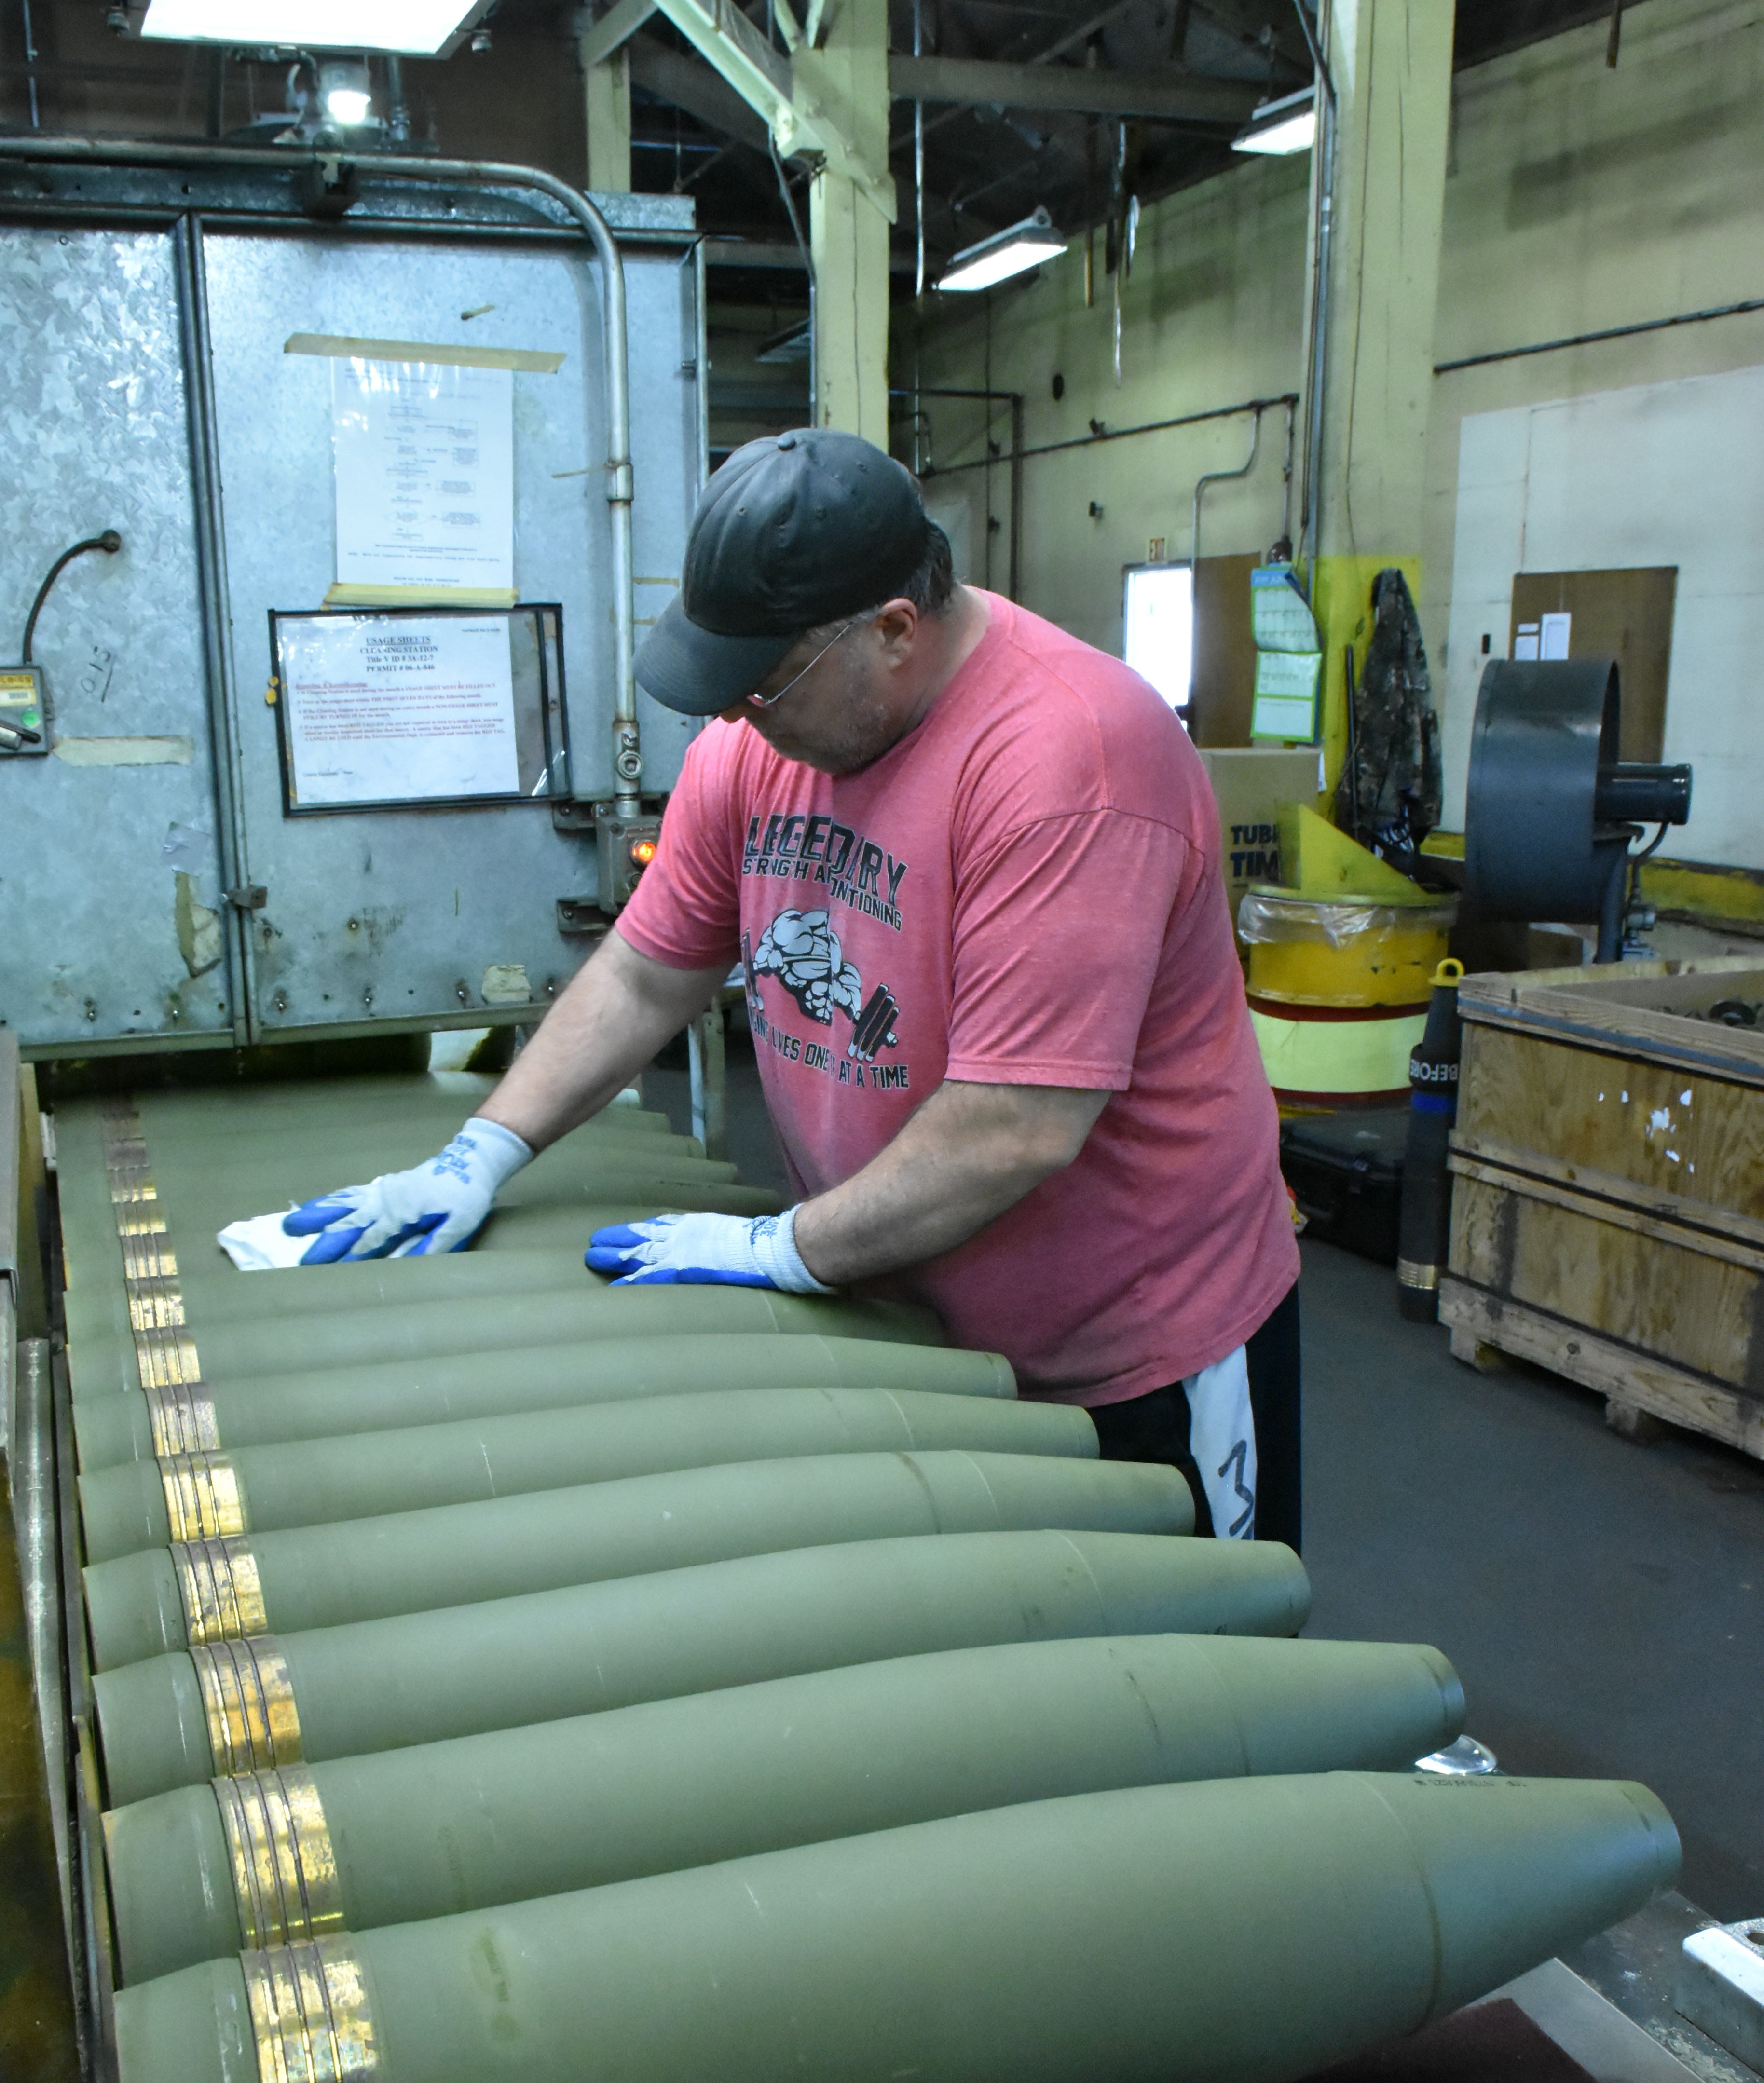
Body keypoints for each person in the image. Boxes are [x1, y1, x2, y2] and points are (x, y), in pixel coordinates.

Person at [286, 429, 1302, 1547]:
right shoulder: (764, 744)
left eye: (762, 685)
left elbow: (1012, 1128)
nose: (732, 719)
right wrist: (482, 1151)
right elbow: (641, 972)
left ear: (894, 632)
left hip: (1125, 1346)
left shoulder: (1073, 762)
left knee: (1195, 1661)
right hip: (905, 1312)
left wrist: (787, 1249)